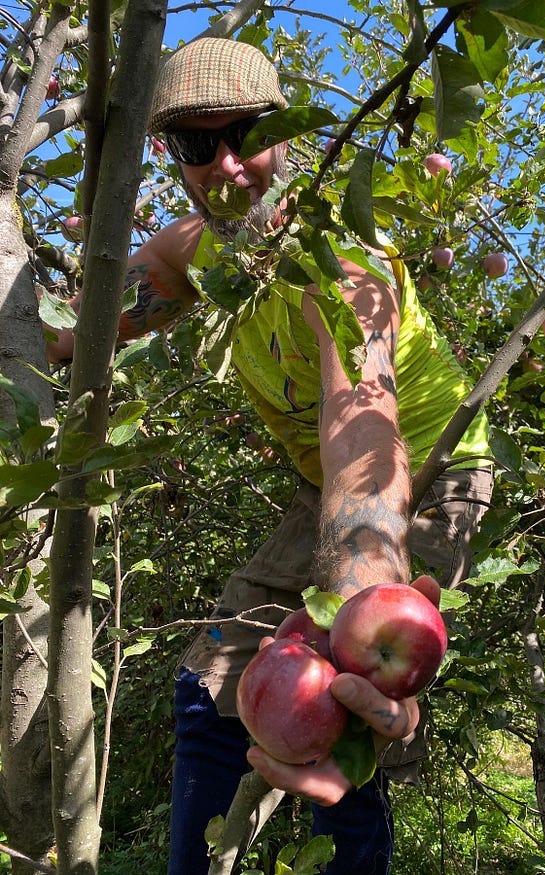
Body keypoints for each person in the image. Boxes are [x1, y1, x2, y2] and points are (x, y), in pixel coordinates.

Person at [48, 37, 493, 875]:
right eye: (195, 144)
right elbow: (88, 318)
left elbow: (362, 431)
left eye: (246, 133)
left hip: (430, 472)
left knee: (349, 703)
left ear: (287, 130)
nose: (227, 166)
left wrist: (364, 608)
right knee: (208, 688)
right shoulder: (193, 252)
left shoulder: (346, 268)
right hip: (323, 484)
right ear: (167, 153)